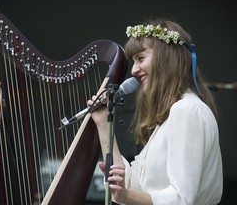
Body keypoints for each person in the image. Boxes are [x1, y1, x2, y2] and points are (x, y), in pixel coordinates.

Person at [88, 19, 223, 205]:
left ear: (166, 58)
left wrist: (126, 195)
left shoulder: (186, 110)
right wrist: (103, 123)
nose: (134, 70)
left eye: (141, 58)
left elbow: (181, 199)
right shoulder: (172, 116)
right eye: (133, 61)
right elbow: (133, 187)